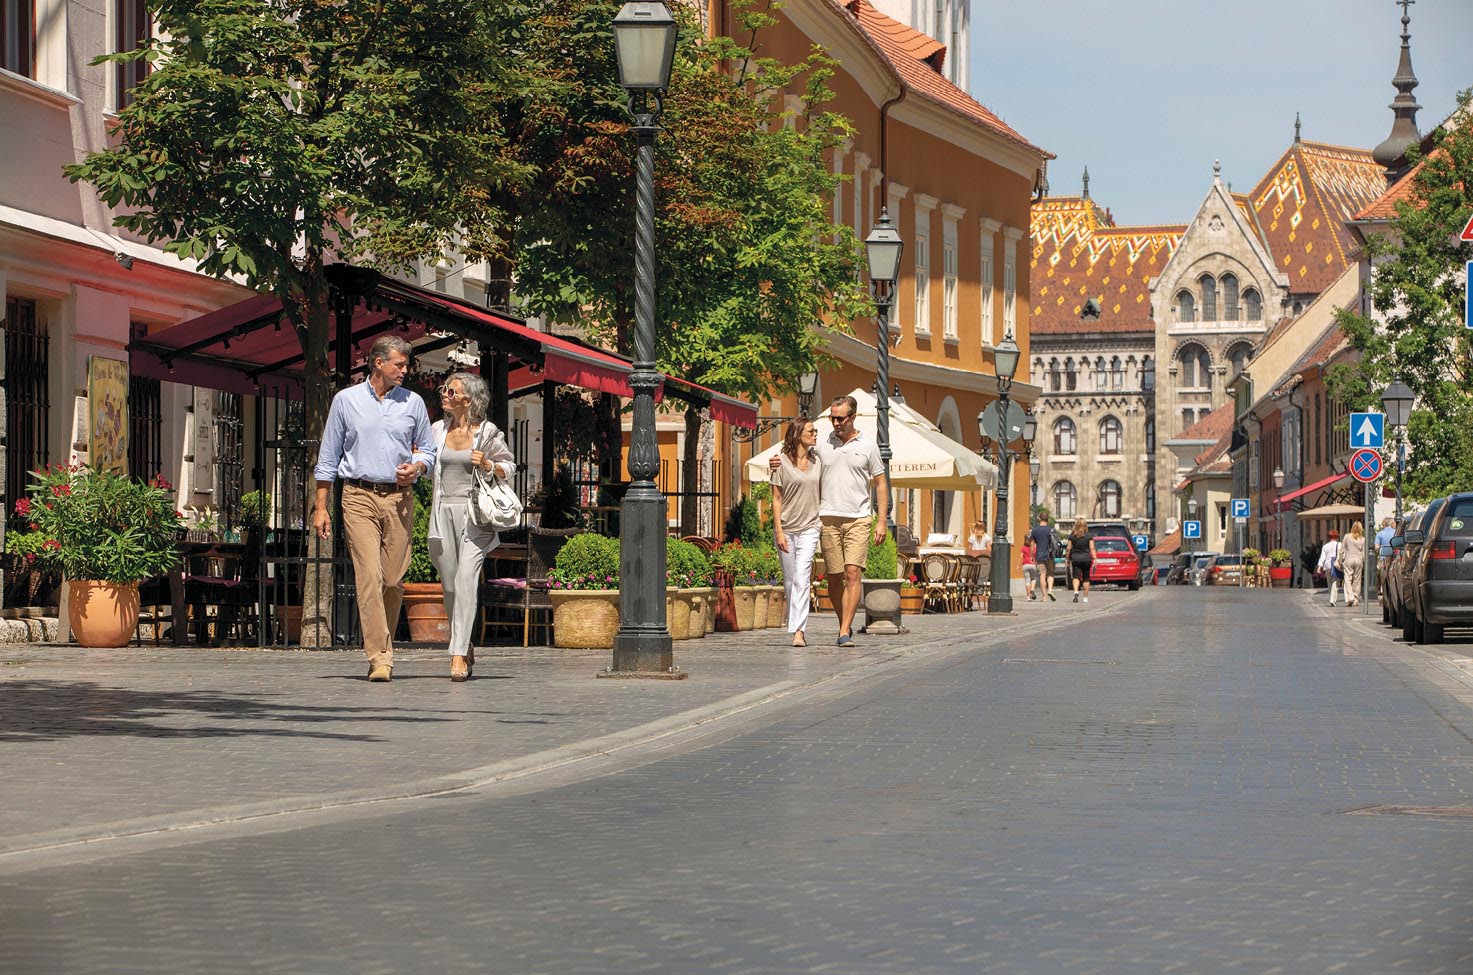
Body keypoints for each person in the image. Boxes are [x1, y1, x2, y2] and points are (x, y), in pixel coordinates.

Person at [313, 335, 436, 682]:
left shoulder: (413, 403)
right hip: (358, 496)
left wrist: (418, 467)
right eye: (399, 364)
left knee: (394, 580)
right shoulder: (345, 401)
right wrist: (321, 507)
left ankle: (383, 644)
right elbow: (327, 458)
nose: (405, 370)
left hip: (399, 498)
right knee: (369, 576)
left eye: (406, 364)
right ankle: (380, 657)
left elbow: (428, 450)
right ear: (378, 363)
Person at [771, 394, 888, 646]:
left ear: (853, 417)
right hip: (826, 519)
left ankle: (844, 631)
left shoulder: (869, 446)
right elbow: (795, 452)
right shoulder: (822, 446)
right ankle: (842, 621)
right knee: (834, 577)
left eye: (840, 418)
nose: (835, 422)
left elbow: (880, 483)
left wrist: (881, 521)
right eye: (832, 418)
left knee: (852, 572)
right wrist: (775, 461)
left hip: (858, 517)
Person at [428, 372, 516, 681]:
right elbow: (427, 466)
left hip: (474, 515)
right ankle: (464, 644)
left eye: (451, 391)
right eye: (444, 390)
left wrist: (489, 465)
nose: (445, 395)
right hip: (443, 513)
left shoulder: (488, 432)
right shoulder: (437, 430)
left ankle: (456, 656)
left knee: (466, 580)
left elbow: (509, 466)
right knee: (450, 586)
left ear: (469, 399)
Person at [770, 417, 823, 648]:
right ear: (798, 434)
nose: (815, 434)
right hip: (786, 528)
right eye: (811, 431)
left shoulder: (819, 460)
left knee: (802, 578)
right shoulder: (780, 463)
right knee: (791, 582)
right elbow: (776, 499)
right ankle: (796, 624)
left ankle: (799, 631)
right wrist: (779, 531)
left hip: (811, 527)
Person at [1026, 514, 1058, 601]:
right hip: (1050, 555)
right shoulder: (1051, 530)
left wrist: (1032, 555)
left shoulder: (1035, 530)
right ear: (1047, 519)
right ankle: (1050, 590)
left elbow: (1032, 544)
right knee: (1050, 574)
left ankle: (1044, 596)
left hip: (1039, 555)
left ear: (1039, 519)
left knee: (1042, 575)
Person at [1066, 516, 1095, 603]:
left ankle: (1075, 591)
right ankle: (1085, 598)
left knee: (1076, 577)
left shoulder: (1072, 536)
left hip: (1075, 559)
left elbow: (1068, 548)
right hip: (1086, 559)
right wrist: (1095, 558)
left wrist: (1067, 558)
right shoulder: (1089, 536)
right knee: (1086, 578)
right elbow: (1092, 548)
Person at [1337, 522, 1366, 608]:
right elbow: (1364, 553)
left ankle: (1350, 597)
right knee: (1357, 580)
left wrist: (1340, 560)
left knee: (1347, 579)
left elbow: (1341, 550)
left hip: (1349, 559)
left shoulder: (1347, 536)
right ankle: (1356, 598)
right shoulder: (1363, 539)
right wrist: (1363, 561)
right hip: (1359, 560)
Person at [1316, 530, 1342, 606]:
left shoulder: (1325, 546)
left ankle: (1332, 598)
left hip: (1327, 566)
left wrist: (1319, 567)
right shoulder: (1340, 545)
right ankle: (1332, 599)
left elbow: (1322, 557)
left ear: (1329, 537)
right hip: (1336, 565)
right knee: (1335, 582)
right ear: (1337, 537)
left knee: (1329, 583)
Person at [1020, 534, 1039, 601]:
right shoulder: (1034, 548)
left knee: (1027, 581)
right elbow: (1036, 556)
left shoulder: (1023, 548)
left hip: (1025, 565)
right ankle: (1032, 590)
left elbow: (1021, 557)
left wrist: (1018, 565)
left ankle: (1028, 597)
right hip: (1032, 565)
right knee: (1033, 579)